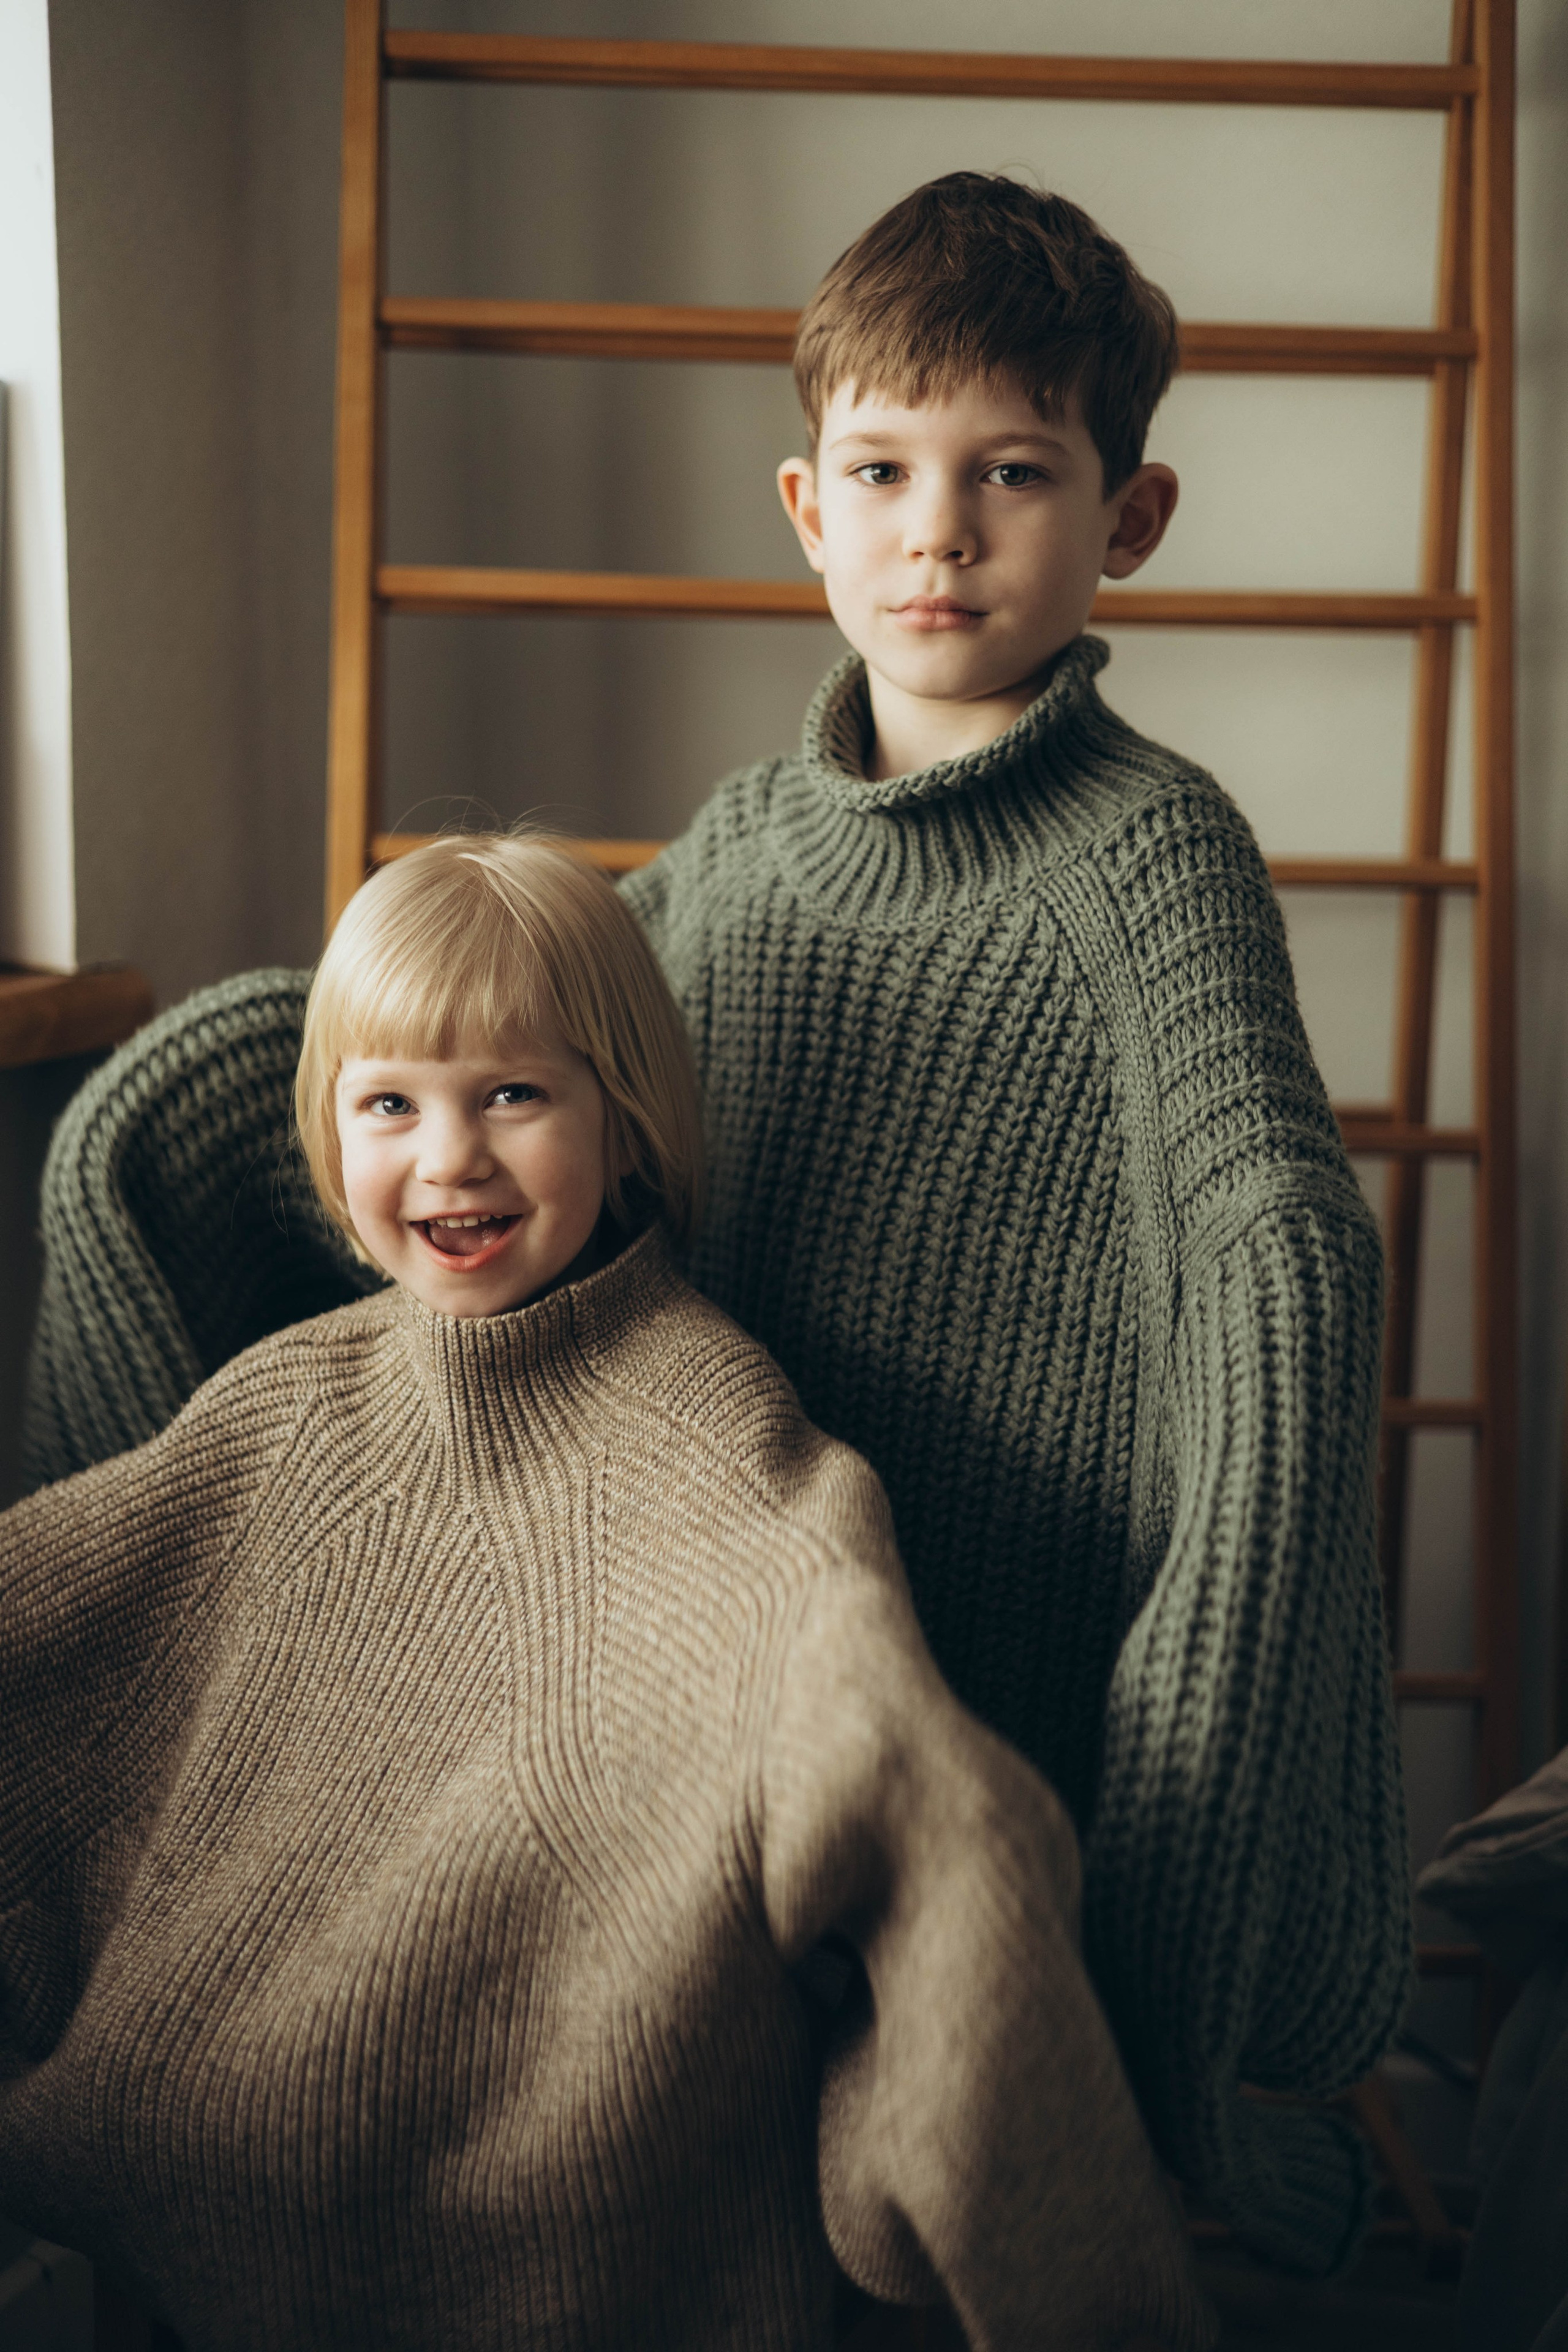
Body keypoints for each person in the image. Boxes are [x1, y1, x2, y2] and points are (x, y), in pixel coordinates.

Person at [1, 836, 1212, 2352]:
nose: (447, 1158)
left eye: (512, 1093)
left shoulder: (720, 1438)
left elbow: (924, 1801)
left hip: (575, 2187)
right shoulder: (292, 1399)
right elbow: (64, 1621)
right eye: (390, 1103)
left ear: (623, 1120)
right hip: (199, 2131)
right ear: (331, 1133)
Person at [616, 173, 1411, 2273]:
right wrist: (298, 1062)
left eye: (1011, 474)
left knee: (965, 2186)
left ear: (1126, 521)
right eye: (882, 470)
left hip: (1013, 1687)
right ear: (806, 507)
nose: (937, 531)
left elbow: (1279, 1243)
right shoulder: (738, 855)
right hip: (758, 1658)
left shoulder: (1151, 854)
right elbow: (533, 1039)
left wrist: (1207, 1736)